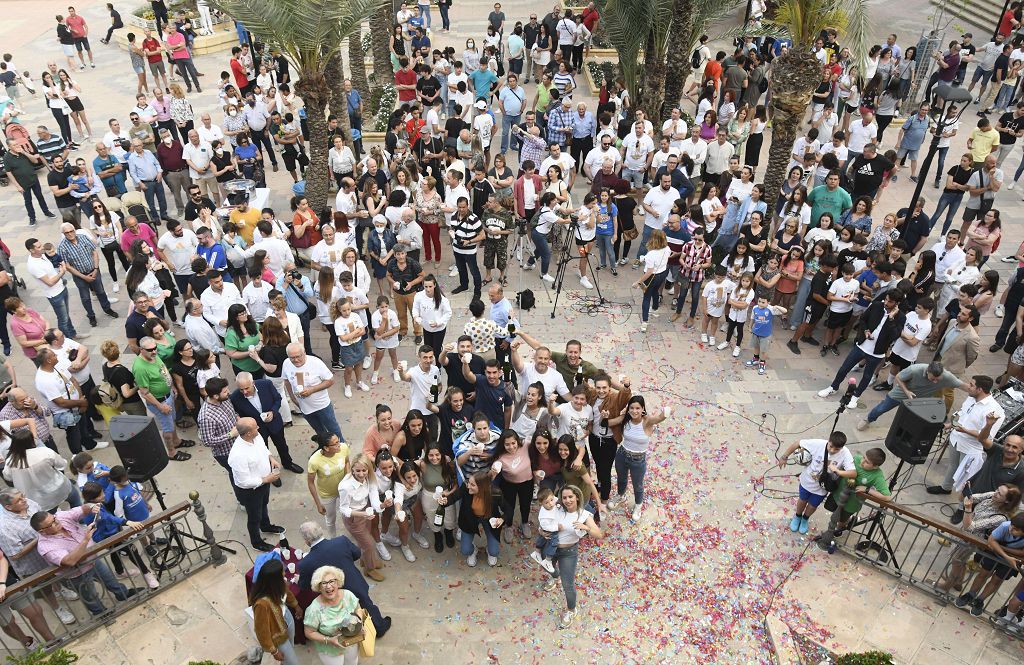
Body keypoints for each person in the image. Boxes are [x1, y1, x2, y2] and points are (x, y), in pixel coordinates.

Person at [32, 505, 139, 616]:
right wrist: (86, 539)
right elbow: (69, 561)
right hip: (77, 574)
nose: (56, 522)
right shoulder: (46, 546)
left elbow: (82, 509)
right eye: (51, 524)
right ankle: (101, 613)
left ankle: (123, 594)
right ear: (42, 531)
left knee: (110, 579)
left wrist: (92, 508)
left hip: (93, 560)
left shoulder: (60, 517)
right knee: (90, 596)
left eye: (54, 519)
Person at [816, 291, 907, 408]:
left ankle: (855, 396)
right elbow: (863, 319)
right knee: (844, 368)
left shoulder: (901, 317)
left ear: (897, 303)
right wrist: (865, 331)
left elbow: (894, 336)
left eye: (890, 302)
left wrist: (890, 319)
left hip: (877, 352)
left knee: (867, 376)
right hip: (862, 345)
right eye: (887, 299)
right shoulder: (876, 305)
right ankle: (833, 387)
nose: (887, 303)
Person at [927, 376, 1005, 500]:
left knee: (967, 478)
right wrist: (950, 424)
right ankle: (945, 487)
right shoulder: (971, 397)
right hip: (956, 439)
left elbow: (987, 437)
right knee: (952, 465)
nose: (968, 386)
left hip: (971, 449)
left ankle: (962, 507)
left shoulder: (995, 411)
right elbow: (963, 413)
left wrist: (965, 431)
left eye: (971, 385)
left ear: (979, 389)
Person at [537, 483, 601, 629]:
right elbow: (544, 521)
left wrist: (586, 527)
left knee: (568, 585)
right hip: (551, 547)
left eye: (570, 497)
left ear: (577, 497)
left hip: (568, 553)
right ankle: (555, 578)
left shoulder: (584, 514)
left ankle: (571, 610)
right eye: (564, 497)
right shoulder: (556, 508)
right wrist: (541, 531)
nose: (567, 500)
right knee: (546, 566)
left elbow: (598, 534)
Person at [776, 431, 857, 534]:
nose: (832, 450)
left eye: (836, 449)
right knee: (802, 500)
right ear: (829, 440)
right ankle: (797, 516)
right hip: (807, 481)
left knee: (813, 505)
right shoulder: (818, 444)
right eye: (830, 446)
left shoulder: (845, 453)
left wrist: (837, 471)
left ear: (842, 448)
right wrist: (784, 457)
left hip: (822, 487)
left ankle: (805, 519)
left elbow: (853, 473)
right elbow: (797, 443)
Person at [604, 396, 669, 522]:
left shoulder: (647, 421)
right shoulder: (626, 419)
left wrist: (667, 411)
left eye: (638, 408)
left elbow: (660, 418)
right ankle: (620, 496)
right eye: (632, 408)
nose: (634, 411)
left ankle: (638, 505)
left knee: (637, 485)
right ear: (628, 409)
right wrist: (604, 417)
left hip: (638, 460)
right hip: (622, 455)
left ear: (643, 408)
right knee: (621, 479)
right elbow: (608, 423)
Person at [230, 417, 284, 552]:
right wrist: (266, 479)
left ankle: (265, 526)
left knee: (264, 504)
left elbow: (263, 448)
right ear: (248, 433)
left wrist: (271, 458)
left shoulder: (256, 436)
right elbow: (243, 481)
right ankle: (256, 541)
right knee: (254, 516)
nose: (258, 428)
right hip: (251, 490)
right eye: (255, 427)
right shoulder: (238, 455)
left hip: (265, 481)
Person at [231, 372, 302, 475]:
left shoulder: (266, 384)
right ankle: (270, 470)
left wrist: (273, 411)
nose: (245, 392)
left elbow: (278, 399)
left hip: (274, 422)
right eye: (241, 389)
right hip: (256, 429)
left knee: (282, 445)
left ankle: (288, 463)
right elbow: (240, 415)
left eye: (247, 388)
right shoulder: (235, 397)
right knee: (263, 451)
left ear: (253, 383)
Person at [132, 336, 190, 461]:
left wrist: (172, 386)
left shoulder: (153, 356)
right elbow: (145, 392)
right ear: (141, 350)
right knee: (167, 428)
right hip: (160, 401)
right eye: (150, 350)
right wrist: (160, 406)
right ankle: (172, 452)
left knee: (171, 421)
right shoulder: (140, 368)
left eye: (155, 348)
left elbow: (164, 372)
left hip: (168, 395)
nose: (154, 351)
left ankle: (177, 441)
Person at [249, 554, 302, 664]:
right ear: (274, 579)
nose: (284, 574)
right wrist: (274, 651)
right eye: (282, 573)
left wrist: (296, 606)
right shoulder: (261, 605)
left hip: (287, 618)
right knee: (293, 662)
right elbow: (261, 631)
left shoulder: (279, 584)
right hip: (277, 632)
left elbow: (287, 593)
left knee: (291, 646)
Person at [282, 344, 342, 439]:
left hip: (322, 405)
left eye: (298, 356)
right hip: (304, 407)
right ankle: (324, 447)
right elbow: (286, 381)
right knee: (319, 430)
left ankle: (341, 446)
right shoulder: (286, 363)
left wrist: (312, 390)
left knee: (333, 429)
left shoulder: (316, 363)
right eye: (292, 358)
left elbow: (330, 380)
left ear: (304, 353)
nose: (296, 360)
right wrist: (293, 398)